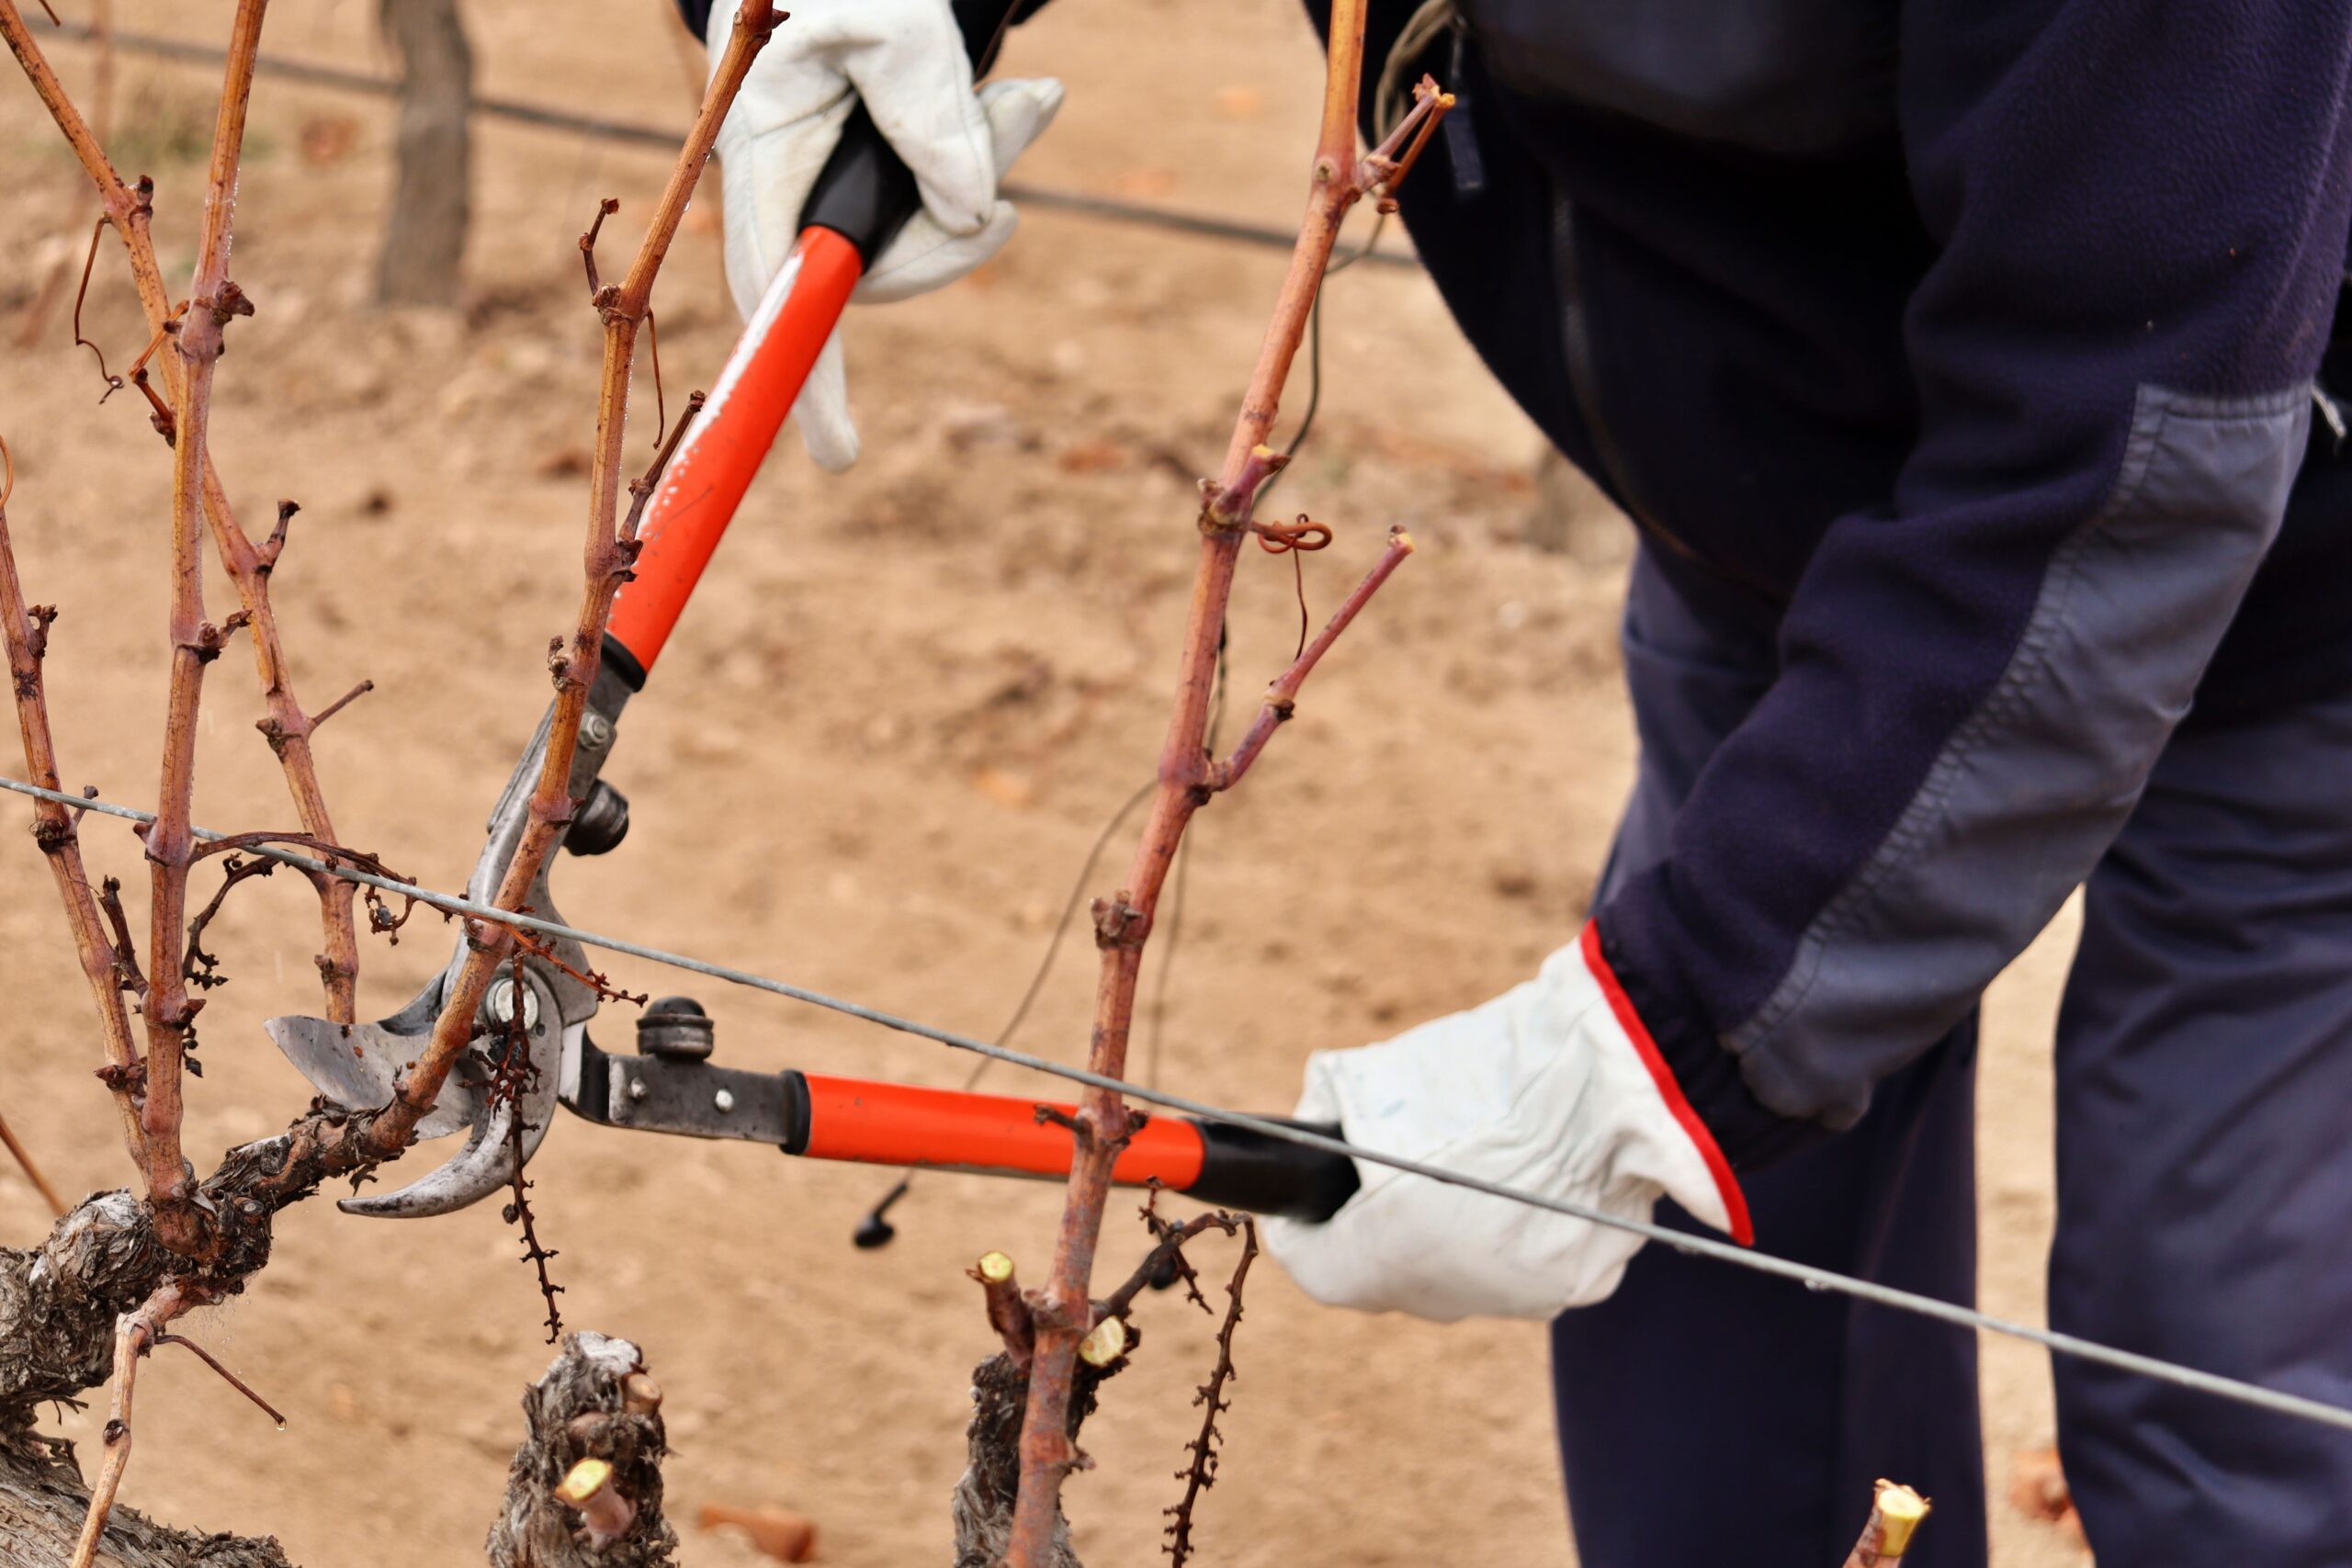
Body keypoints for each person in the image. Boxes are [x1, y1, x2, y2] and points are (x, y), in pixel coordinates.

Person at [677, 0, 2352, 1561]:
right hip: (1777, 528)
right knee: (1711, 1382)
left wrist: (1670, 1040)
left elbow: (2129, 450)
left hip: (2290, 591)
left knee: (2232, 1405)